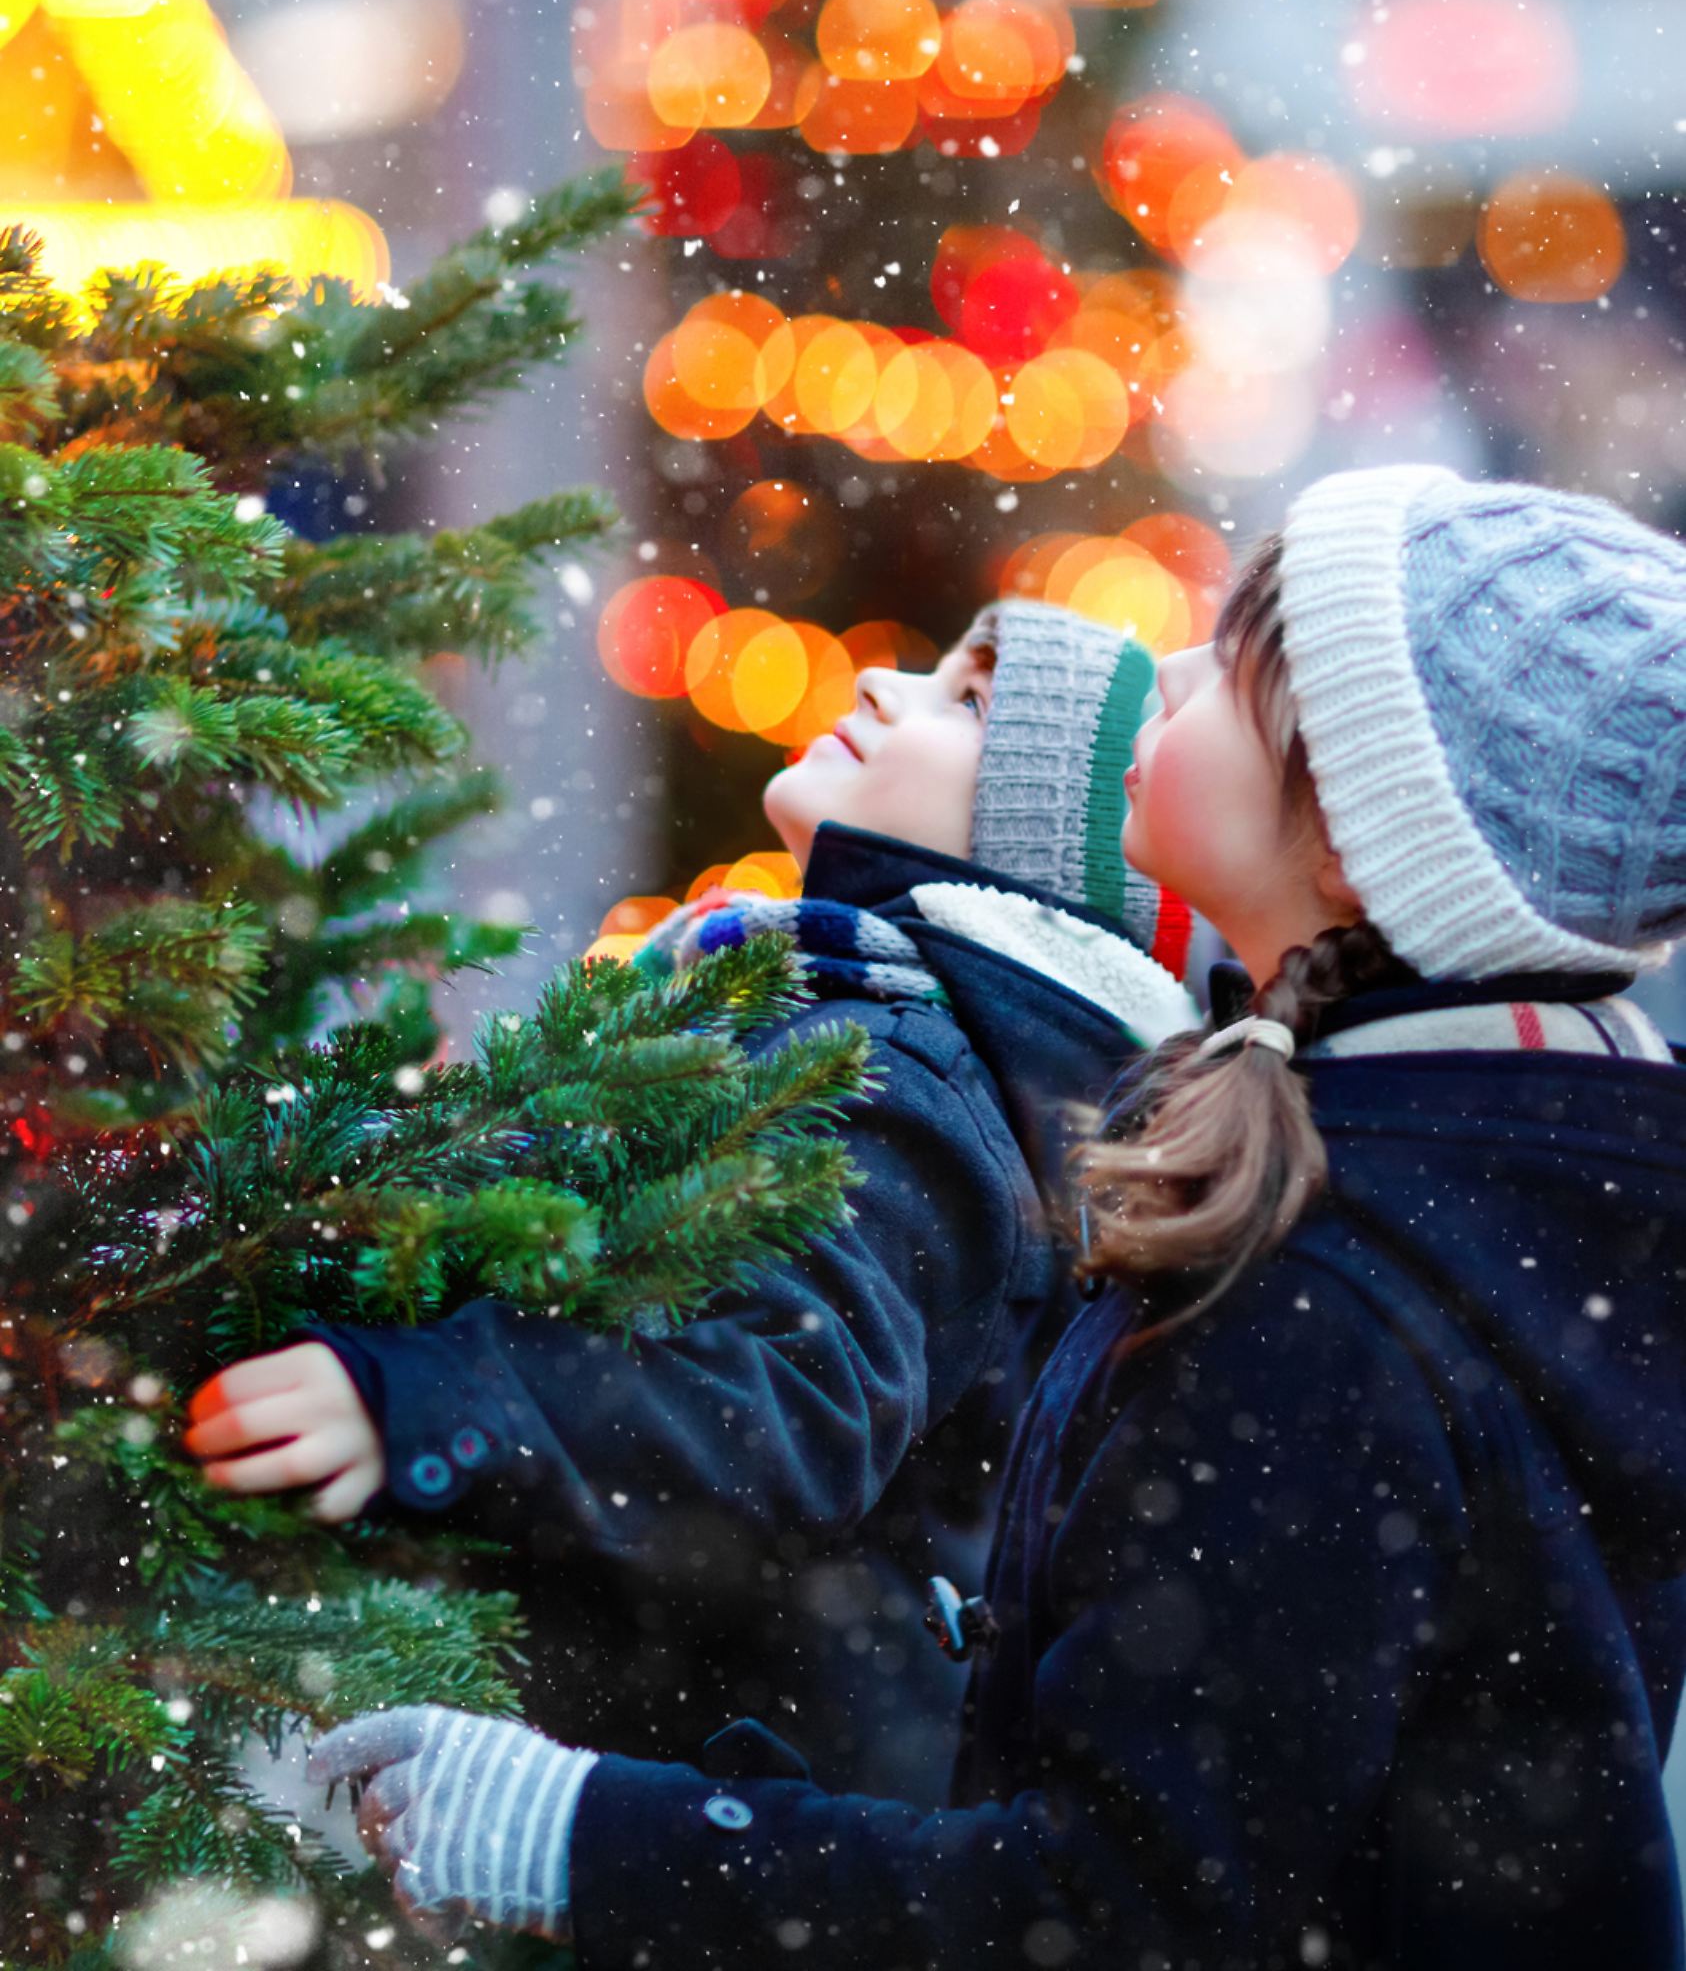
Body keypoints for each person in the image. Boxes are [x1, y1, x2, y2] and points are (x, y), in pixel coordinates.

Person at [312, 465, 1686, 1970]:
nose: (1161, 672)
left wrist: (581, 1836)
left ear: (1352, 831)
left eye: (1233, 666)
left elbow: (1115, 1915)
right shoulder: (1496, 1196)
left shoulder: (1323, 1302)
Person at [186, 601, 1195, 1800]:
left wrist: (429, 1401)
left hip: (732, 1801)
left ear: (1034, 852)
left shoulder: (904, 1079)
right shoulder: (845, 1014)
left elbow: (780, 1394)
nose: (882, 682)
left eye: (968, 702)